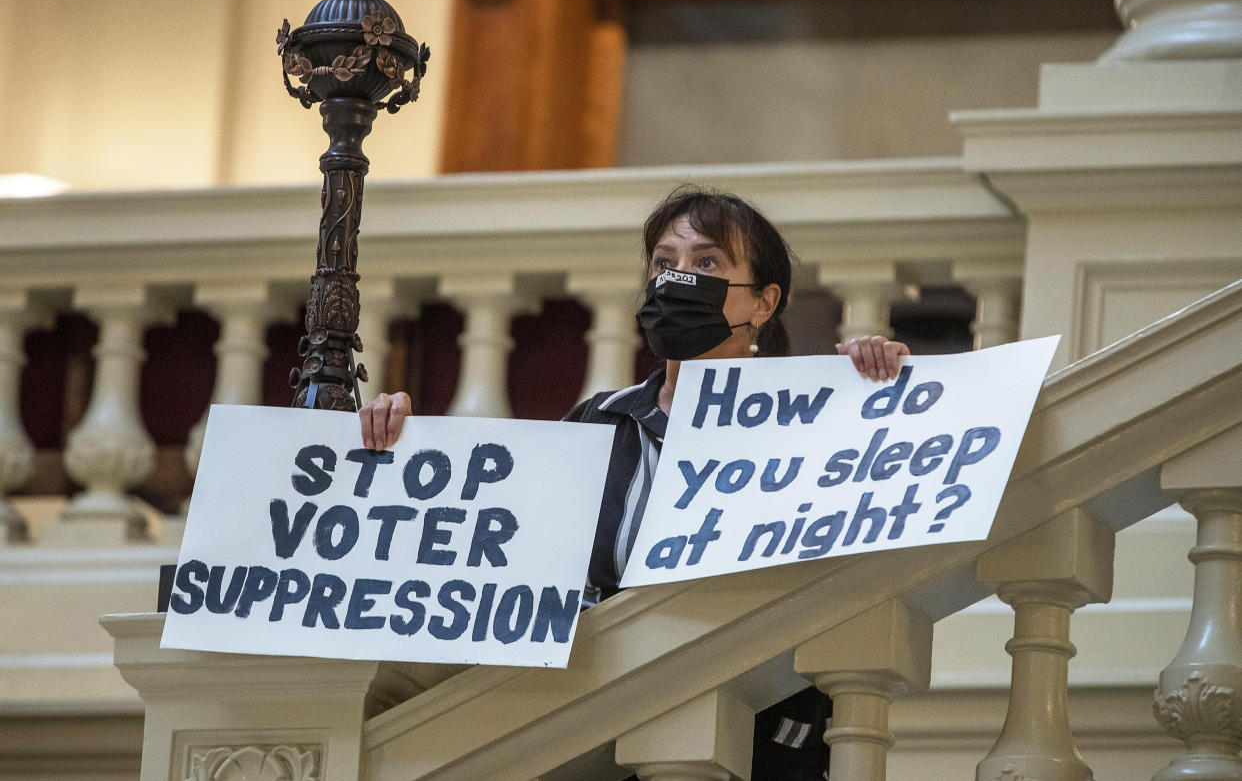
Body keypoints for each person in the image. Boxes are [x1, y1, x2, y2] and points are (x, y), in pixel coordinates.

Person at [359, 186, 909, 779]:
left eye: (706, 263)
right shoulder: (599, 422)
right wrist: (401, 453)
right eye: (664, 264)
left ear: (763, 302)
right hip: (593, 726)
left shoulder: (813, 422)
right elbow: (507, 557)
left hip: (757, 740)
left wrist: (875, 400)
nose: (677, 278)